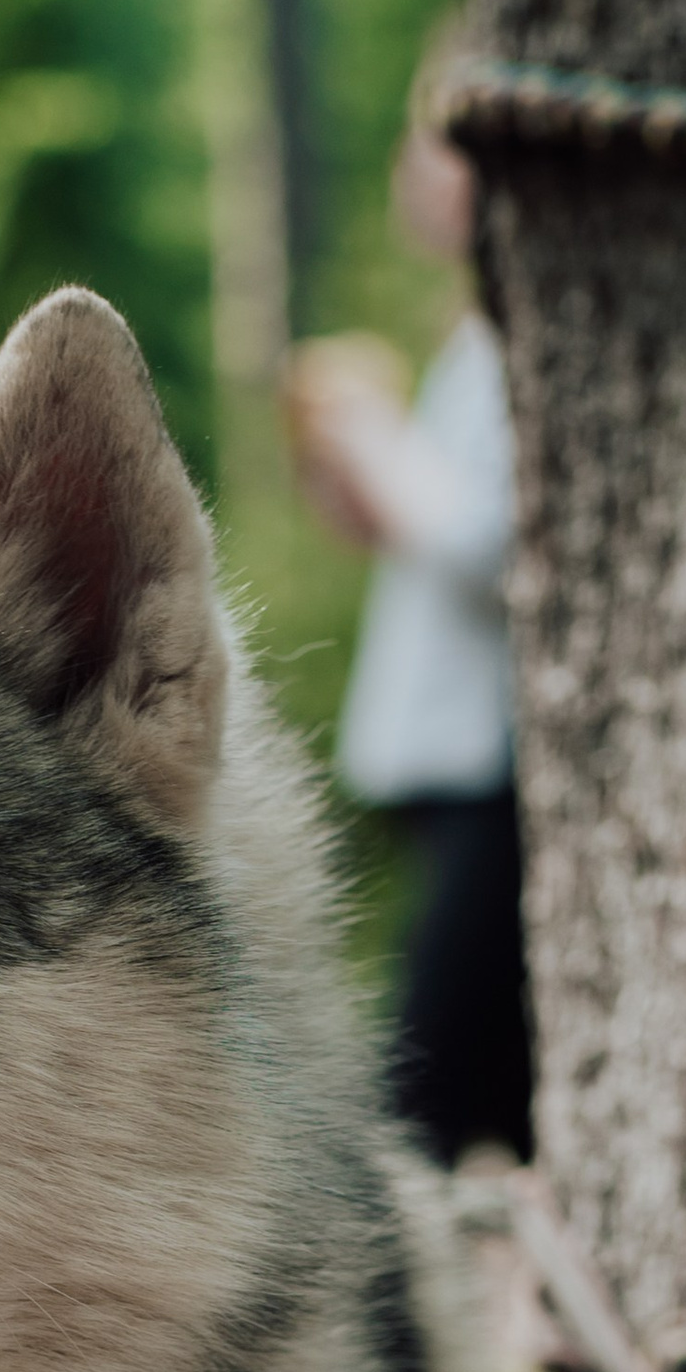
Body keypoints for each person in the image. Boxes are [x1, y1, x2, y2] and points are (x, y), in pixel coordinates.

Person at [283, 72, 531, 1169]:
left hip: (499, 778)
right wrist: (360, 487)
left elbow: (491, 547)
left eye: (429, 142)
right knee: (485, 1091)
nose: (407, 169)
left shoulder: (514, 343)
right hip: (452, 782)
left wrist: (379, 436)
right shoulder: (468, 341)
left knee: (422, 1099)